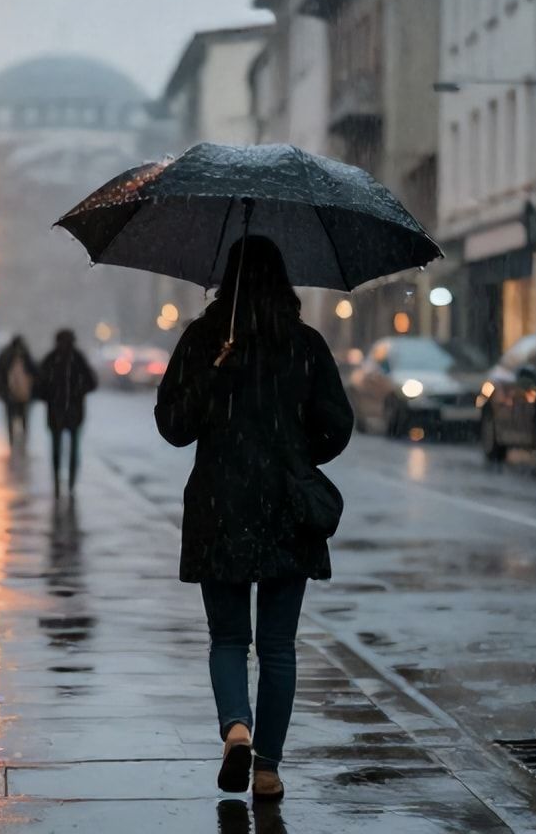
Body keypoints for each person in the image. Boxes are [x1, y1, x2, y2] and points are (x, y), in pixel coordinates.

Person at [154, 236, 352, 801]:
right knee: (279, 646)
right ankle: (267, 768)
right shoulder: (305, 345)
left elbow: (173, 425)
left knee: (227, 639)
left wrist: (215, 378)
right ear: (283, 281)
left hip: (221, 504)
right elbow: (337, 425)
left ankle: (235, 728)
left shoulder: (203, 340)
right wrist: (295, 451)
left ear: (226, 281)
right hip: (288, 507)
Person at [35, 329, 98, 494]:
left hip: (56, 412)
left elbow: (38, 386)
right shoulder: (77, 359)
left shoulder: (51, 359)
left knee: (57, 448)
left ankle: (57, 481)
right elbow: (92, 382)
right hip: (74, 412)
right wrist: (78, 393)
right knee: (73, 449)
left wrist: (51, 396)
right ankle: (70, 483)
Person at [0, 335, 38, 448]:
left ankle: (11, 440)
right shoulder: (25, 355)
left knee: (10, 418)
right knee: (23, 418)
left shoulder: (6, 355)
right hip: (23, 394)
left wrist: (2, 390)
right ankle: (23, 440)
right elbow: (35, 373)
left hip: (9, 394)